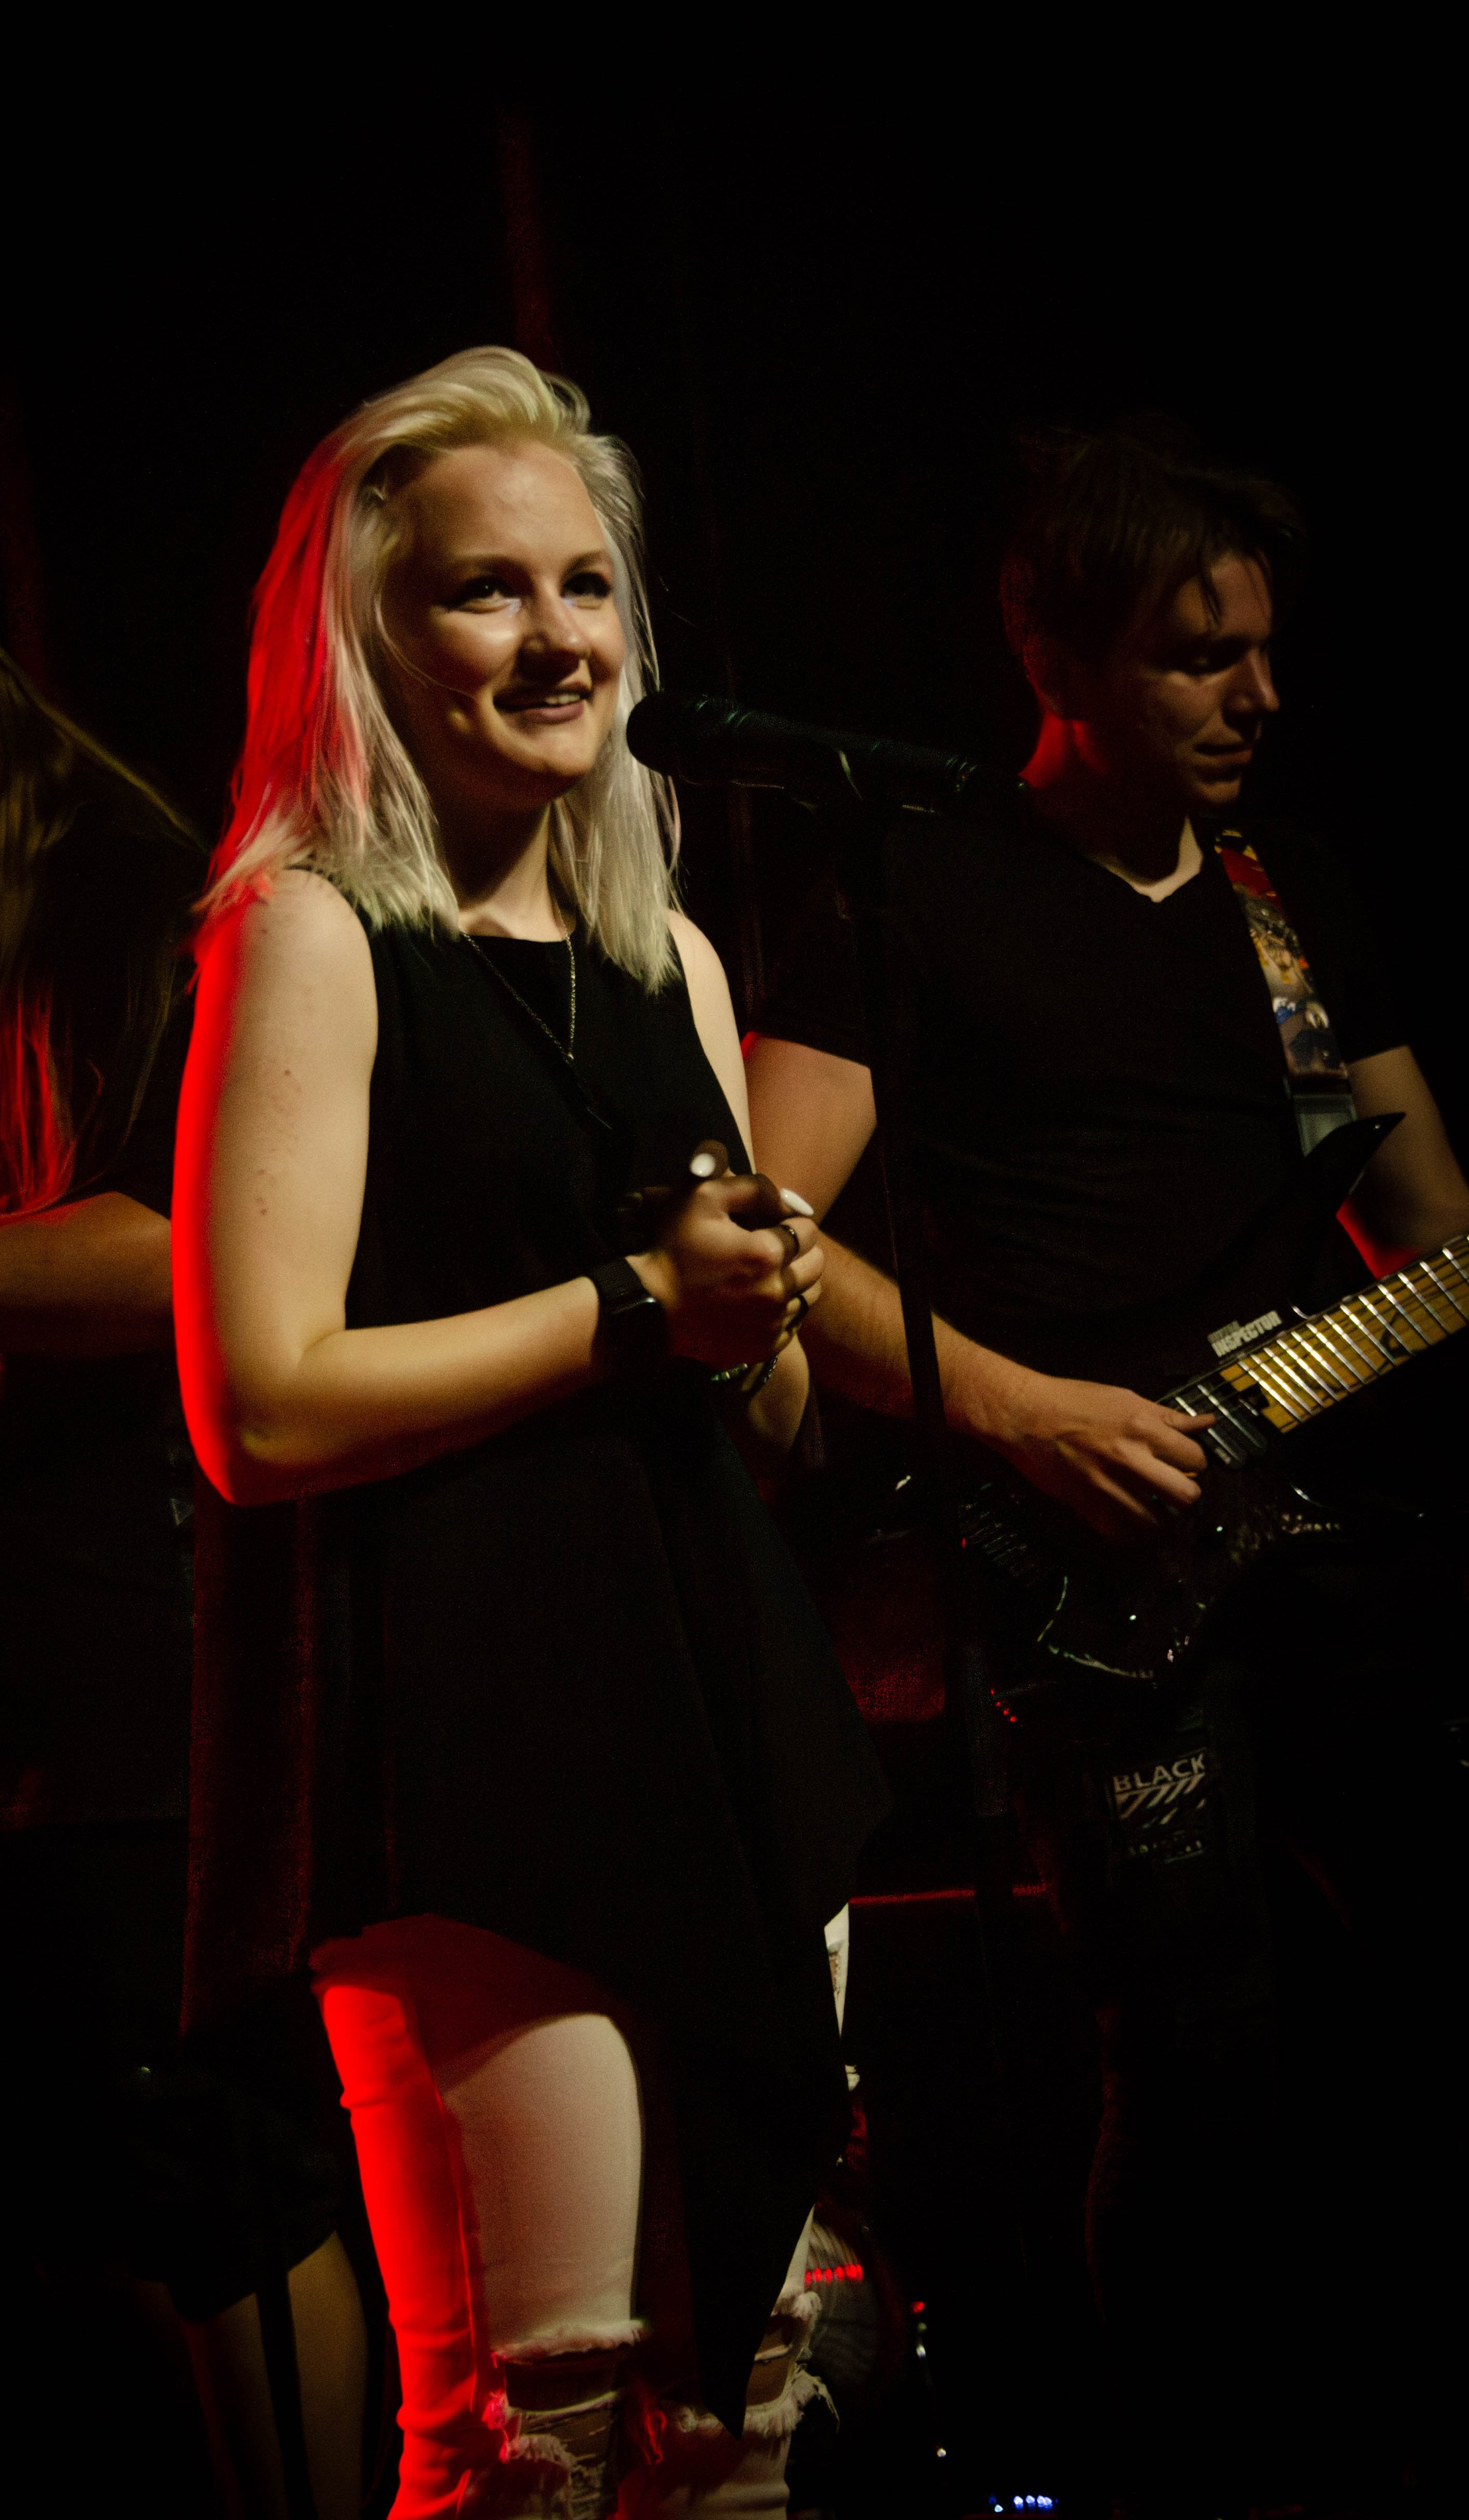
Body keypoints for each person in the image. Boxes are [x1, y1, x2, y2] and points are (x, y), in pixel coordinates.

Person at [174, 345, 889, 2520]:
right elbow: (256, 1403)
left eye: (587, 585)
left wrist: (755, 1318)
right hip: (469, 1735)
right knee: (537, 2426)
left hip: (717, 1701)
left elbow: (754, 1408)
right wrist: (630, 1306)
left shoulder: (669, 953)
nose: (560, 635)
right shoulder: (310, 934)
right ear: (366, 638)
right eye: (488, 588)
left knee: (749, 2395)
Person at [744, 423, 1469, 2513]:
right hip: (1083, 1568)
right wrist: (1027, 1410)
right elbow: (769, 1241)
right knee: (1199, 2056)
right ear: (1057, 656)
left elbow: (1431, 1226)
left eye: (1267, 650)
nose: (1260, 695)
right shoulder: (912, 885)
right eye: (1197, 655)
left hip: (1336, 1545)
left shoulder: (1286, 894)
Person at [0, 588, 368, 2519]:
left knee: (217, 2185)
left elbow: (184, 1253)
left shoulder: (141, 926)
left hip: (138, 1698)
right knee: (76, 2194)